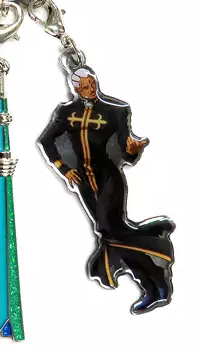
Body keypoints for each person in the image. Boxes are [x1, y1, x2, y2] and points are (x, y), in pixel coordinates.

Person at [39, 66, 174, 314]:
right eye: (84, 86)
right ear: (75, 88)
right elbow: (46, 141)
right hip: (84, 181)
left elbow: (125, 153)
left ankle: (156, 284)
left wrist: (132, 150)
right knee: (112, 234)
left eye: (92, 83)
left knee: (108, 232)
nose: (90, 89)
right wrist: (64, 169)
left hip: (109, 177)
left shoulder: (115, 111)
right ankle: (155, 245)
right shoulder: (66, 112)